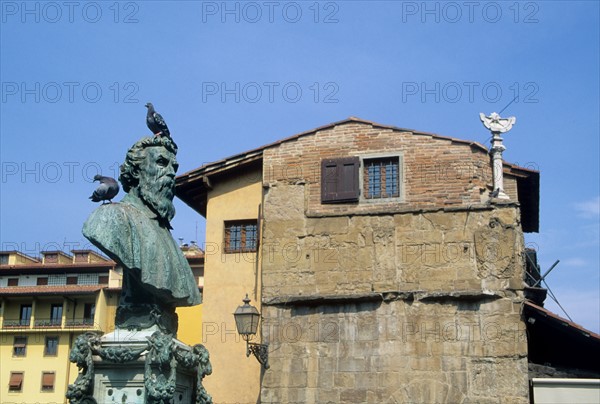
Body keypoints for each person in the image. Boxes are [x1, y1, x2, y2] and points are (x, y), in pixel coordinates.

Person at [83, 135, 201, 331]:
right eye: (162, 163)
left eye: (174, 168)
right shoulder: (112, 218)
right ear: (136, 172)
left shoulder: (165, 233)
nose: (171, 173)